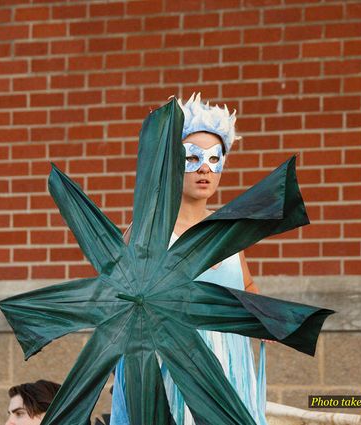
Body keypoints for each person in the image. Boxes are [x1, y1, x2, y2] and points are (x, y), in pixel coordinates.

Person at [109, 93, 267, 424]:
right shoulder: (146, 232)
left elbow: (245, 285)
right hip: (172, 368)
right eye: (192, 158)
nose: (205, 169)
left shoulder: (228, 231)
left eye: (214, 158)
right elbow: (117, 300)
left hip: (227, 370)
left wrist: (263, 317)